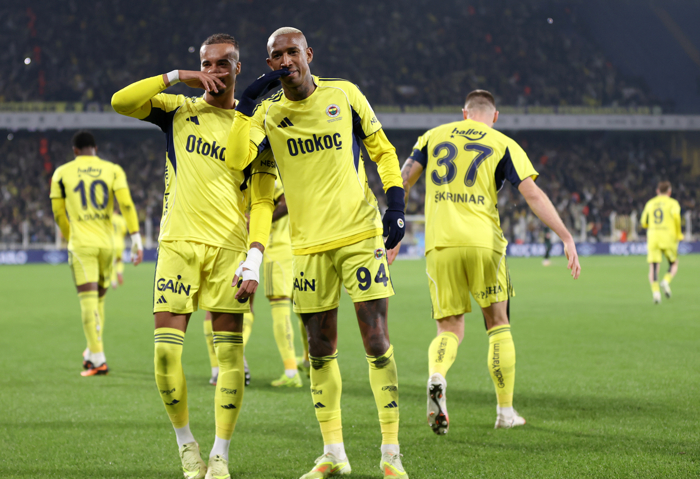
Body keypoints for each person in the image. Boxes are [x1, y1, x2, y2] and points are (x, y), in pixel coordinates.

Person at [226, 26, 409, 479]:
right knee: (319, 350)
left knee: (376, 340)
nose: (286, 60)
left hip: (359, 234)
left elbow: (383, 151)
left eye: (293, 52)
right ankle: (333, 453)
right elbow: (241, 170)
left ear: (309, 54)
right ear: (269, 64)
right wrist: (245, 106)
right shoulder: (267, 116)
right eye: (277, 55)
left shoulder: (344, 95)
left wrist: (396, 205)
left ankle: (390, 453)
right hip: (307, 247)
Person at [112, 33, 276, 479]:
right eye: (206, 63)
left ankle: (220, 454)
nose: (213, 71)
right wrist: (176, 76)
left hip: (229, 251)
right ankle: (187, 446)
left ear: (238, 68)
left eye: (223, 63)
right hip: (178, 246)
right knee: (165, 356)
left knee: (229, 359)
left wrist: (255, 257)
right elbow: (120, 102)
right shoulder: (178, 110)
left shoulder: (256, 128)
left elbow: (263, 201)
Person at [388, 89, 580, 434]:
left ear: (464, 113)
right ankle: (505, 412)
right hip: (484, 243)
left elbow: (401, 180)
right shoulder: (503, 143)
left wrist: (395, 228)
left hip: (440, 244)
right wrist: (565, 236)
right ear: (494, 116)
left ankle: (437, 375)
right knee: (498, 324)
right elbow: (532, 194)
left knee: (449, 327)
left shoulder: (432, 136)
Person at [50, 130, 143, 377]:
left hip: (82, 245)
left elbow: (59, 214)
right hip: (107, 245)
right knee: (99, 300)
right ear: (96, 149)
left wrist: (70, 236)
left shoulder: (61, 173)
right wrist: (136, 238)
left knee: (88, 301)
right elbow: (126, 204)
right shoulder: (112, 169)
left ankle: (98, 359)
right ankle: (92, 352)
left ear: (75, 151)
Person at [265, 181, 305, 387]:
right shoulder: (285, 174)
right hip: (296, 246)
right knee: (304, 310)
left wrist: (262, 221)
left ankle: (291, 372)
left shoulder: (267, 176)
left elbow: (286, 201)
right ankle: (308, 359)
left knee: (280, 309)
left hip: (277, 250)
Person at [640, 181, 683, 303]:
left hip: (653, 237)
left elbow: (643, 222)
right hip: (668, 237)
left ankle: (656, 293)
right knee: (674, 263)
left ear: (657, 191)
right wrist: (679, 234)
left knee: (653, 267)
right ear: (669, 192)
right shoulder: (673, 203)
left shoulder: (650, 203)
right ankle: (666, 281)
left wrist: (651, 226)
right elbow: (676, 218)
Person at [111, 205, 128, 288]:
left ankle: (113, 282)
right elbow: (124, 231)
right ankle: (119, 272)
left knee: (112, 263)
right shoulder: (121, 219)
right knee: (119, 260)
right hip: (120, 243)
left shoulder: (109, 218)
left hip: (111, 243)